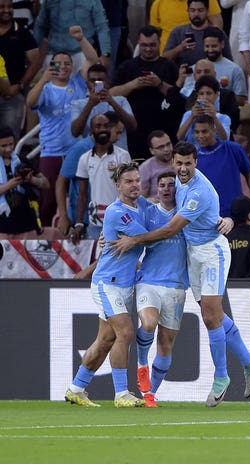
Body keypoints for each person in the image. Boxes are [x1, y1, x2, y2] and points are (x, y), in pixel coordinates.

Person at [109, 141, 250, 406]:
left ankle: (222, 376)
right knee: (215, 315)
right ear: (174, 162)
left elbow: (170, 230)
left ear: (196, 162)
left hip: (211, 253)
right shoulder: (179, 183)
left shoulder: (198, 192)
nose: (182, 169)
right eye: (178, 163)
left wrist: (135, 241)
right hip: (194, 253)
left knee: (210, 316)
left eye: (187, 164)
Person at [64, 162, 149, 408]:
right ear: (118, 185)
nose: (135, 185)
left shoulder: (140, 205)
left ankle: (76, 388)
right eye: (129, 181)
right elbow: (151, 236)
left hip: (125, 285)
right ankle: (121, 394)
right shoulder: (116, 212)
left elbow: (153, 209)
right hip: (107, 284)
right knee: (125, 332)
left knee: (105, 340)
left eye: (137, 180)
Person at [26, 25, 99, 226]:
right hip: (51, 152)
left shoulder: (77, 83)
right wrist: (43, 79)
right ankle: (46, 241)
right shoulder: (46, 88)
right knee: (48, 201)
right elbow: (30, 103)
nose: (64, 67)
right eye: (58, 64)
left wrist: (81, 39)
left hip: (77, 151)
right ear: (51, 67)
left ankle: (78, 234)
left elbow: (93, 61)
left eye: (67, 63)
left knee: (80, 196)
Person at [134, 171, 189, 407]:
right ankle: (141, 365)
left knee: (166, 344)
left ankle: (149, 394)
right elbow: (127, 232)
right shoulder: (148, 212)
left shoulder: (187, 215)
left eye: (171, 185)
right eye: (162, 185)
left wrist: (227, 221)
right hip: (149, 281)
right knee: (148, 323)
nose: (166, 189)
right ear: (156, 190)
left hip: (176, 287)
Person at [110, 25, 180, 159]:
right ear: (138, 44)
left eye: (152, 45)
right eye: (144, 45)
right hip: (135, 133)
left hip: (165, 130)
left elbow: (179, 97)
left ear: (159, 43)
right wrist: (132, 85)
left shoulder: (169, 66)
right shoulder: (127, 66)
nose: (148, 49)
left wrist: (159, 84)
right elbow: (111, 94)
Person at [73, 114, 132, 242]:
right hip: (95, 223)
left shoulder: (123, 156)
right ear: (91, 131)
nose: (102, 129)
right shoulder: (85, 158)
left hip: (118, 222)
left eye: (106, 126)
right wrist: (79, 223)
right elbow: (82, 194)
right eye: (98, 126)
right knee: (98, 261)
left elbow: (130, 191)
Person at [192, 114, 250, 216]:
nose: (200, 136)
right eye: (197, 132)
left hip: (235, 214)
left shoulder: (233, 149)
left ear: (214, 130)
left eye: (204, 131)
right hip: (207, 217)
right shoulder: (192, 157)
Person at [70, 63, 137, 151]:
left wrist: (112, 102)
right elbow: (75, 132)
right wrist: (90, 104)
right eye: (92, 80)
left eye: (100, 80)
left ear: (108, 82)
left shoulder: (121, 101)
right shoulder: (77, 104)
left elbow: (132, 126)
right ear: (86, 84)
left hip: (119, 157)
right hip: (91, 157)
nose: (96, 84)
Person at [0, 0, 40, 139]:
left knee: (10, 139)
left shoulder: (22, 32)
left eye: (9, 6)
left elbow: (35, 61)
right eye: (2, 7)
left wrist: (20, 85)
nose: (6, 10)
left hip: (12, 96)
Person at [34, 0, 111, 70]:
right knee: (54, 83)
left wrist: (105, 54)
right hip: (55, 55)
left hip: (83, 55)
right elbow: (40, 25)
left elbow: (102, 27)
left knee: (97, 80)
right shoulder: (49, 1)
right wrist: (33, 51)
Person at [0, 126, 48, 234]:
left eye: (11, 144)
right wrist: (8, 186)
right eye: (3, 146)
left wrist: (32, 180)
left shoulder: (21, 160)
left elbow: (46, 184)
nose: (8, 149)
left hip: (25, 221)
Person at [150, 0, 223, 52]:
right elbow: (154, 35)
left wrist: (205, 47)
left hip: (202, 56)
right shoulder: (158, 3)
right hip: (169, 57)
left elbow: (217, 25)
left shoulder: (208, 1)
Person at [177, 75, 231, 144]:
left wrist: (214, 117)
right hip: (192, 153)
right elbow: (179, 137)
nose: (205, 97)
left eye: (209, 93)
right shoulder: (188, 114)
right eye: (201, 94)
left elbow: (225, 140)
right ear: (197, 95)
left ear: (216, 94)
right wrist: (191, 117)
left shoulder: (224, 118)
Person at [140, 130, 174, 198]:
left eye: (168, 144)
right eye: (161, 147)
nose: (166, 149)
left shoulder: (181, 162)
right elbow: (141, 199)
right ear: (152, 151)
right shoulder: (145, 168)